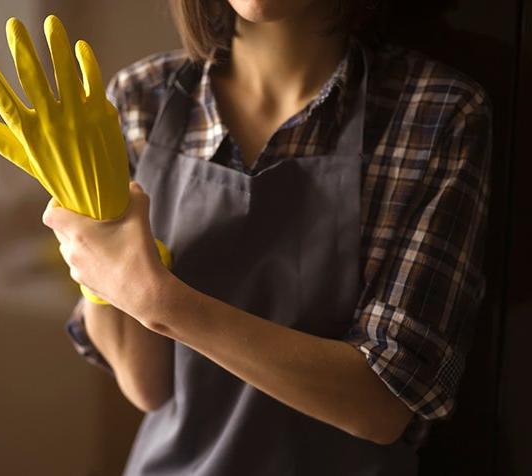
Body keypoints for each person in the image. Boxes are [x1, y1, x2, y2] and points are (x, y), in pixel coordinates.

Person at [43, 0, 493, 474]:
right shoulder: (142, 97)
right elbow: (147, 387)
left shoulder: (435, 113)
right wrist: (98, 268)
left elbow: (382, 406)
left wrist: (162, 303)